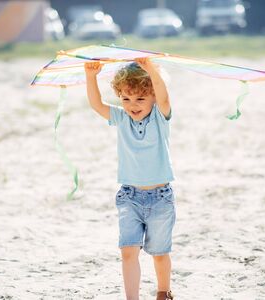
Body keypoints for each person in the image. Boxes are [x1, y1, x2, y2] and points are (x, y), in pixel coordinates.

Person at [84, 57, 176, 300]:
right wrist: (91, 76)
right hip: (129, 197)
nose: (132, 105)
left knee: (159, 253)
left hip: (160, 198)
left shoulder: (159, 116)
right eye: (126, 98)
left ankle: (163, 292)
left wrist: (151, 70)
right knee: (128, 251)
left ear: (153, 97)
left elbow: (164, 97)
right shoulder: (121, 118)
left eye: (140, 98)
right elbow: (96, 104)